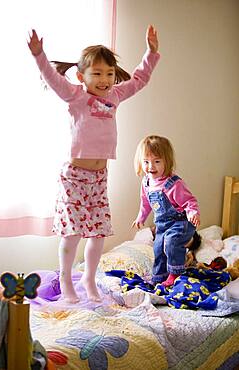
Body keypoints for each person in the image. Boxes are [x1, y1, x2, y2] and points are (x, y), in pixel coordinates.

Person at [27, 26, 160, 303]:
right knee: (73, 232)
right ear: (81, 76)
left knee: (98, 232)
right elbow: (51, 77)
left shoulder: (115, 96)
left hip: (99, 176)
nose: (104, 79)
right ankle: (66, 278)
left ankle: (89, 277)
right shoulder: (75, 96)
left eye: (109, 73)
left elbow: (139, 79)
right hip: (74, 176)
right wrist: (40, 55)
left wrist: (150, 52)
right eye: (97, 73)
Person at [132, 135, 200, 287]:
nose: (151, 167)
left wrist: (193, 213)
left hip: (181, 222)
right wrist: (140, 217)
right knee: (158, 248)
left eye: (157, 161)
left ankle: (175, 273)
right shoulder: (146, 182)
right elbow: (145, 203)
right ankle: (160, 277)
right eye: (146, 162)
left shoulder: (173, 184)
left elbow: (190, 201)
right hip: (162, 224)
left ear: (166, 161)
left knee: (171, 241)